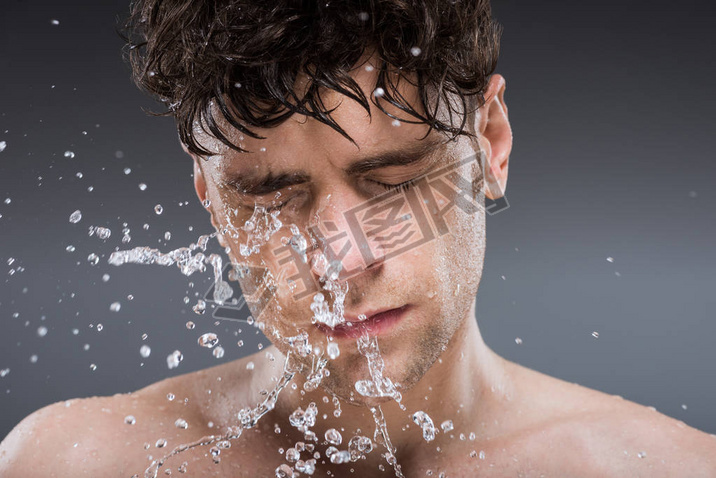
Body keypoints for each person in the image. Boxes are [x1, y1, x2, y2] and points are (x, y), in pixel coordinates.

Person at [1, 1, 715, 477]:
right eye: (266, 194)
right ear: (210, 197)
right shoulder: (76, 464)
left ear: (490, 144)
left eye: (393, 180)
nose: (338, 260)